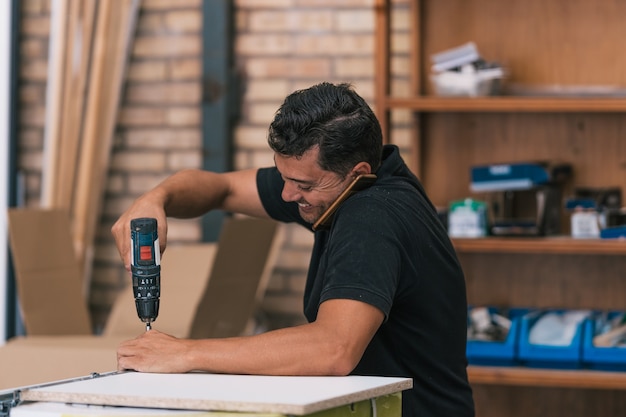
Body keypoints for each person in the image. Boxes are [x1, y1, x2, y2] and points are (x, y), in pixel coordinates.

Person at [112, 82, 475, 417]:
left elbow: (333, 348)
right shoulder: (349, 182)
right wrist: (155, 199)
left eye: (301, 184)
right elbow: (221, 189)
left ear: (357, 172)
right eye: (283, 177)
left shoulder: (372, 216)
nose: (287, 195)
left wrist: (185, 353)